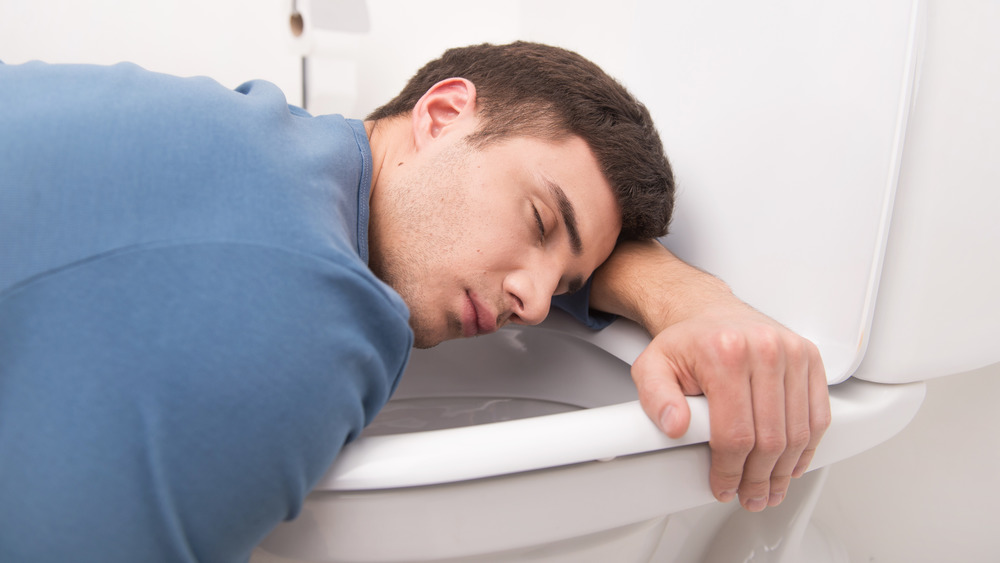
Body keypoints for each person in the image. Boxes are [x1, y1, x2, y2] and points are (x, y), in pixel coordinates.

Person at [0, 42, 829, 562]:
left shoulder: (257, 137)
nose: (535, 304)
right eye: (540, 221)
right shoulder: (314, 310)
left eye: (569, 284)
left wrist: (689, 296)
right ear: (442, 112)